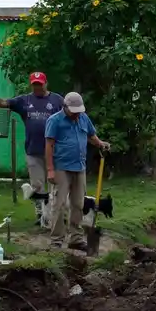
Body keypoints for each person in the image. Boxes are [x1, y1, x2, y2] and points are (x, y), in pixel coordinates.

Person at [0, 71, 63, 226]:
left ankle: (56, 214)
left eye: (40, 84)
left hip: (55, 150)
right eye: (34, 84)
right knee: (37, 185)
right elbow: (3, 103)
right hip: (33, 150)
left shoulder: (57, 100)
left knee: (56, 183)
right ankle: (41, 215)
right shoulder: (24, 100)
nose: (37, 87)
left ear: (46, 83)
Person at [43, 91, 111, 248]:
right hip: (61, 168)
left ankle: (76, 239)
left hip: (79, 167)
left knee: (78, 204)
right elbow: (49, 146)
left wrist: (100, 144)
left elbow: (91, 136)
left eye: (79, 111)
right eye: (74, 112)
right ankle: (56, 241)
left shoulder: (83, 118)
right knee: (58, 205)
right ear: (65, 107)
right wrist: (50, 169)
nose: (76, 115)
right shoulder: (55, 121)